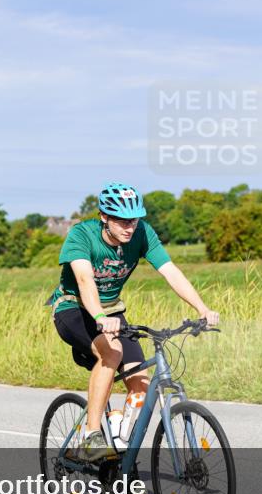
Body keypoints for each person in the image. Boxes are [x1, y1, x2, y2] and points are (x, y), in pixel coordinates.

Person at [48, 182, 219, 466]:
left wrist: (202, 307)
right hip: (73, 308)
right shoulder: (81, 235)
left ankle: (120, 454)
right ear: (104, 217)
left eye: (134, 219)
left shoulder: (142, 233)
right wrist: (100, 318)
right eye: (122, 221)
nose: (130, 227)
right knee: (112, 353)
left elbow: (170, 271)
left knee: (140, 384)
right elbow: (84, 281)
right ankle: (91, 437)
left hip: (113, 314)